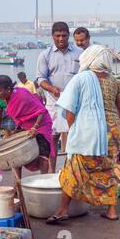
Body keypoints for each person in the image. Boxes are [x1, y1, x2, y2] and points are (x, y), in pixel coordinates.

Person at [47, 45, 120, 224]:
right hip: (112, 131)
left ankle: (62, 210)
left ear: (89, 59)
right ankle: (112, 211)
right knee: (107, 169)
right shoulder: (114, 81)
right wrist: (115, 129)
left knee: (73, 168)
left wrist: (74, 128)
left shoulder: (80, 79)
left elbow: (69, 110)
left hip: (87, 131)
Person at [36, 21, 83, 173]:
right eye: (58, 36)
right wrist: (52, 88)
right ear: (52, 36)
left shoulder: (79, 53)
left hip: (75, 102)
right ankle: (52, 173)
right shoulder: (45, 55)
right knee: (53, 138)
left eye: (64, 35)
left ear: (68, 35)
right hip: (54, 102)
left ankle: (72, 171)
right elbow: (40, 78)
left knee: (75, 136)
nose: (61, 38)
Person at [0, 75, 55, 177]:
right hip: (25, 126)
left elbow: (41, 111)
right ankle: (18, 184)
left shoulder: (21, 94)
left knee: (43, 155)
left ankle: (44, 180)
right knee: (15, 156)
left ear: (8, 89)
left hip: (41, 124)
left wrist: (35, 127)